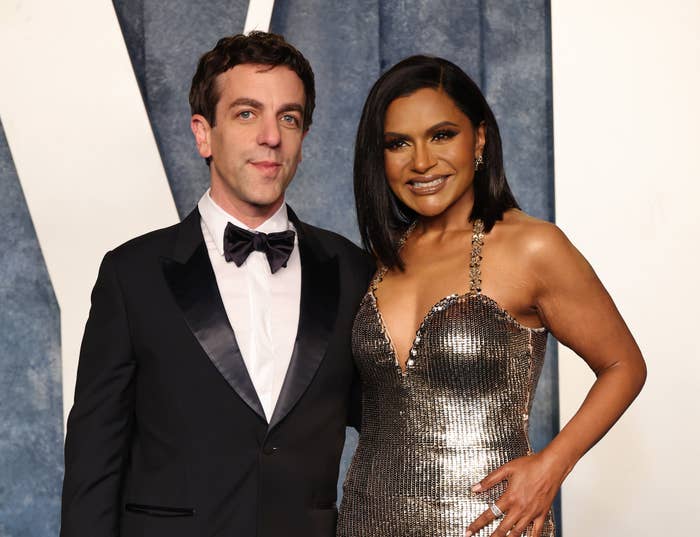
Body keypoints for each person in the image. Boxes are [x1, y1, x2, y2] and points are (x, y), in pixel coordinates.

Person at [60, 31, 373, 537]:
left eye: (288, 117)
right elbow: (94, 467)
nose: (271, 136)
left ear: (303, 137)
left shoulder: (353, 271)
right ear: (203, 134)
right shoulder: (131, 275)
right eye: (247, 113)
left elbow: (399, 431)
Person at [336, 55, 646, 537]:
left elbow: (625, 365)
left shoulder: (532, 246)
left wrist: (551, 467)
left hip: (488, 525)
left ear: (479, 138)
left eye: (442, 135)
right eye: (398, 143)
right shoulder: (381, 259)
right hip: (365, 521)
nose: (421, 162)